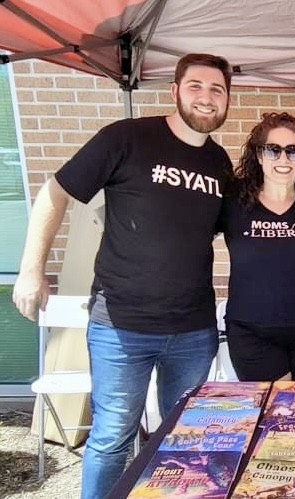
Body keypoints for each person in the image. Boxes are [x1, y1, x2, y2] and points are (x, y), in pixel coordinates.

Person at [12, 53, 232, 498]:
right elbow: (56, 192)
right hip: (121, 327)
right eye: (195, 86)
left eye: (217, 89)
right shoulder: (127, 138)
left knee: (186, 434)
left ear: (227, 99)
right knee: (112, 437)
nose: (206, 97)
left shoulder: (219, 163)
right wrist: (31, 269)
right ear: (175, 91)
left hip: (192, 330)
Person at [221, 112, 295, 382]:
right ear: (259, 156)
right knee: (275, 405)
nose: (283, 159)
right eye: (273, 150)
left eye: (293, 151)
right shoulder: (233, 203)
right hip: (252, 334)